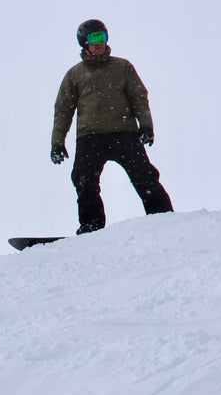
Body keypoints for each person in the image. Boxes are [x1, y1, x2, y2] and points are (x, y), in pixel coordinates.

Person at [50, 19, 173, 235]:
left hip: (124, 133)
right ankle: (91, 227)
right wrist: (57, 142)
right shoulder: (75, 74)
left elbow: (138, 97)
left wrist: (146, 126)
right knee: (83, 180)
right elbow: (63, 110)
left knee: (145, 176)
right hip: (90, 137)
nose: (99, 43)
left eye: (103, 37)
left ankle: (163, 218)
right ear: (83, 42)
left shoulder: (122, 66)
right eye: (93, 38)